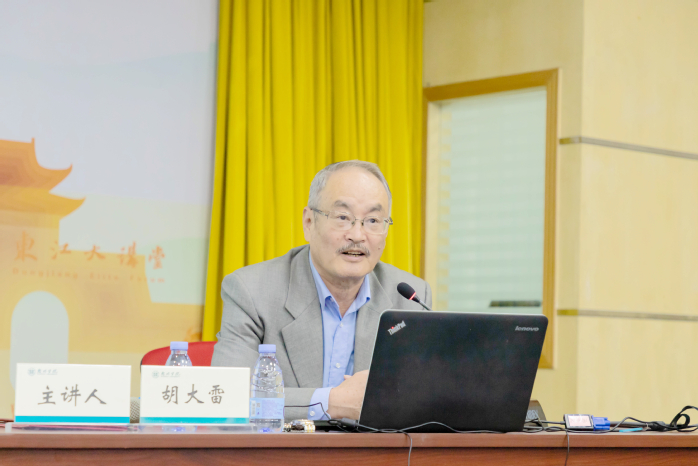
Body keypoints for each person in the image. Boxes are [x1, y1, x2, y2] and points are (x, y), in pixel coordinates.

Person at [211, 160, 431, 421]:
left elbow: (424, 399)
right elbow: (227, 397)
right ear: (308, 222)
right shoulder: (252, 291)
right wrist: (329, 402)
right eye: (343, 218)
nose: (357, 235)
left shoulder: (410, 297)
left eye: (373, 220)